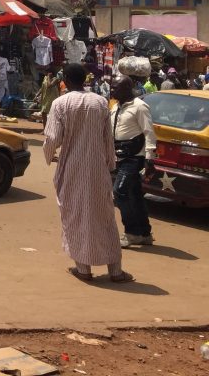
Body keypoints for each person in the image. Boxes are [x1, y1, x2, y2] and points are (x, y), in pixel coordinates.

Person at [43, 63, 133, 283]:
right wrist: (110, 165)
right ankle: (116, 271)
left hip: (71, 168)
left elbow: (52, 138)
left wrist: (49, 155)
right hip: (98, 168)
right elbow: (107, 139)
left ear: (65, 78)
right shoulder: (100, 102)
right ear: (84, 79)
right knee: (105, 217)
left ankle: (83, 269)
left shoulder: (60, 103)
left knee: (74, 215)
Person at [109, 76, 157, 249]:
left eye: (116, 87)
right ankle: (144, 233)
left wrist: (149, 159)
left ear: (128, 88)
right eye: (112, 87)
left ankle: (131, 233)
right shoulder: (115, 106)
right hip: (119, 155)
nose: (112, 90)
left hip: (134, 157)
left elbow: (148, 132)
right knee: (135, 194)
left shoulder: (140, 107)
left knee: (120, 192)